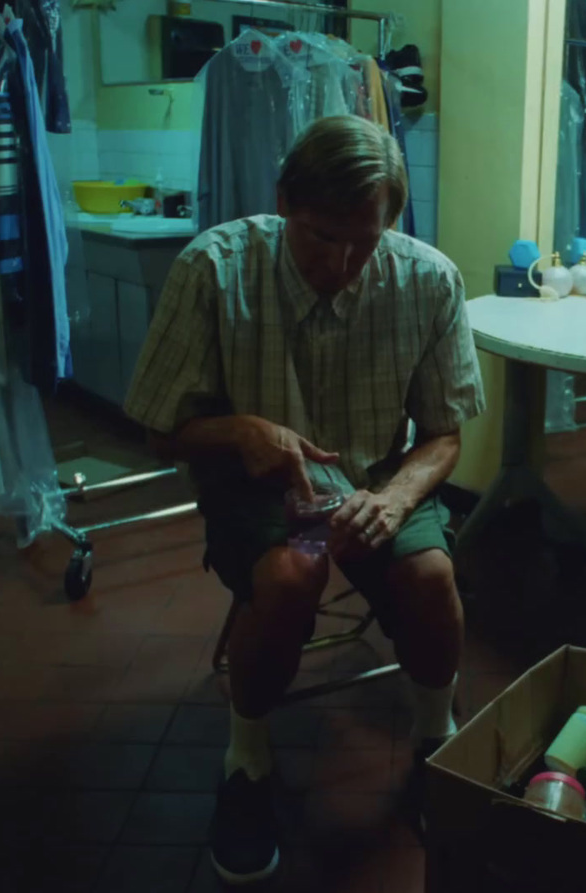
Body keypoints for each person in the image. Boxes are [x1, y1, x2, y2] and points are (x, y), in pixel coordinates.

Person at [122, 115, 484, 886]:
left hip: (378, 471)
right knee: (292, 575)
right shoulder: (214, 267)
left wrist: (392, 499)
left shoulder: (428, 278)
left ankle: (434, 739)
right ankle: (246, 760)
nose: (345, 264)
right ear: (284, 199)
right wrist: (241, 429)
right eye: (323, 238)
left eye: (367, 241)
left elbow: (445, 436)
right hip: (258, 482)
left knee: (429, 576)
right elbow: (160, 431)